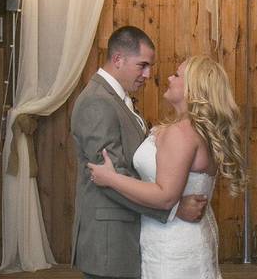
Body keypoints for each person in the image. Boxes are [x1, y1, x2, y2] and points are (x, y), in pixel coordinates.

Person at [88, 55, 246, 279]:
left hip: (172, 243)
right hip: (190, 236)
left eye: (177, 75)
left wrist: (111, 178)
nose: (169, 78)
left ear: (192, 88)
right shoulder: (198, 130)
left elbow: (165, 197)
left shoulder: (181, 132)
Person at [70, 26, 208, 279]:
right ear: (118, 59)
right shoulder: (97, 102)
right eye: (142, 65)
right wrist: (174, 209)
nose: (148, 74)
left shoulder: (117, 98)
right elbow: (107, 176)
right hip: (110, 241)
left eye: (150, 67)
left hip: (131, 234)